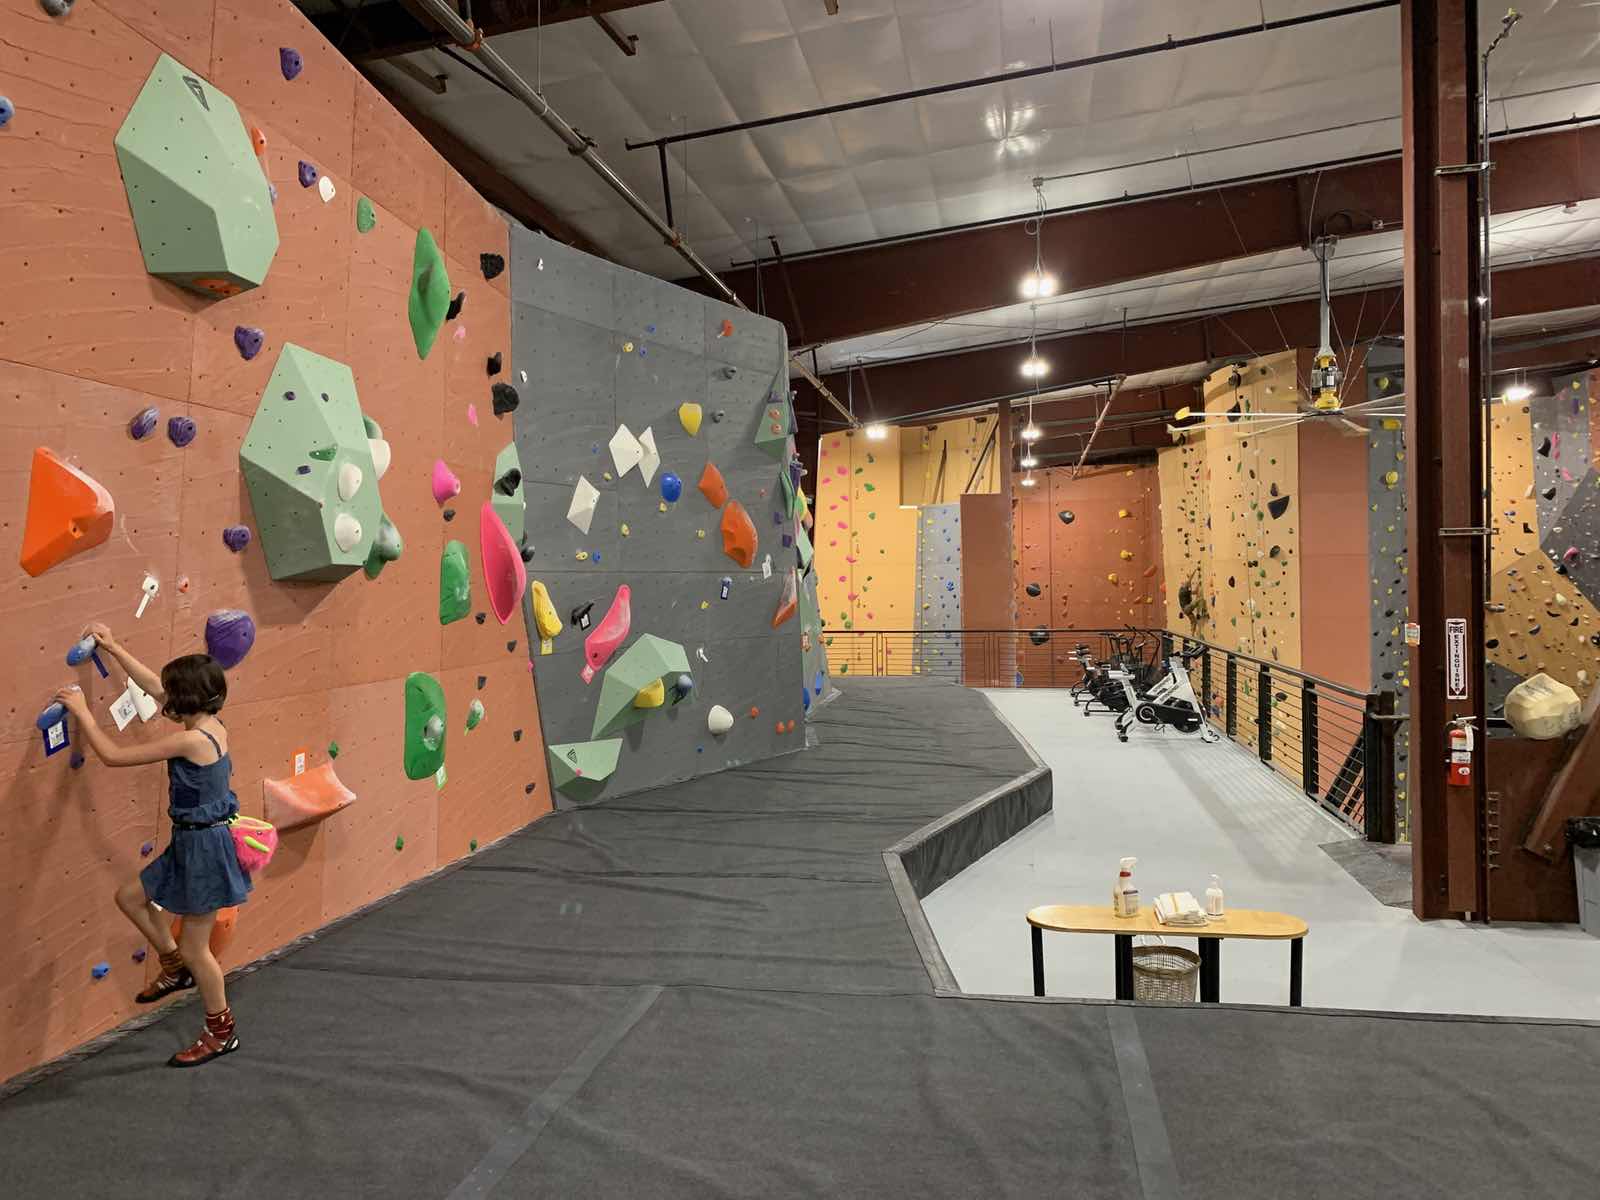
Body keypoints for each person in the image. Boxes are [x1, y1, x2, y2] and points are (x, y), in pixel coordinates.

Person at [55, 623, 250, 1068]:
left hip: (204, 849)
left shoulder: (188, 740)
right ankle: (173, 964)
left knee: (200, 948)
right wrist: (113, 645)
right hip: (194, 840)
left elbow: (113, 755)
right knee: (129, 897)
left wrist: (82, 711)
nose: (163, 697)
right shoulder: (211, 724)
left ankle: (222, 1030)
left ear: (185, 701)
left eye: (171, 694)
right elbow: (153, 685)